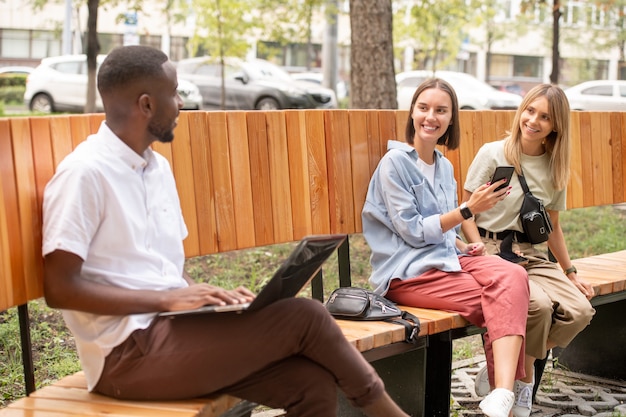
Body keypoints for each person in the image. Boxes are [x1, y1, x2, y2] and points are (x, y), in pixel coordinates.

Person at [41, 45, 410, 417]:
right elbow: (60, 289)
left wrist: (207, 299)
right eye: (174, 93)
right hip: (124, 356)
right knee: (307, 317)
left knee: (310, 385)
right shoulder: (84, 174)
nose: (181, 103)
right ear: (146, 105)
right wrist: (167, 301)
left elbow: (165, 268)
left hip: (176, 333)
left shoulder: (157, 169)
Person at [361, 77, 530, 417]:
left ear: (451, 118)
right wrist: (468, 210)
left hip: (448, 260)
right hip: (407, 273)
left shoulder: (444, 165)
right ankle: (507, 396)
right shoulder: (394, 164)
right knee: (501, 300)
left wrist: (464, 246)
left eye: (441, 110)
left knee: (514, 276)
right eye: (423, 108)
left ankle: (501, 394)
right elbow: (411, 231)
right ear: (412, 113)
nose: (430, 117)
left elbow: (441, 228)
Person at [462, 83, 596, 417]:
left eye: (545, 117)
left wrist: (571, 272)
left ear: (556, 126)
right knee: (537, 305)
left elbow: (553, 227)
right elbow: (466, 208)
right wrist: (475, 245)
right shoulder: (493, 153)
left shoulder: (554, 166)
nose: (534, 120)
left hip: (532, 255)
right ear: (521, 110)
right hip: (491, 248)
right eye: (530, 111)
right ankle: (521, 384)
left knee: (580, 311)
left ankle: (512, 370)